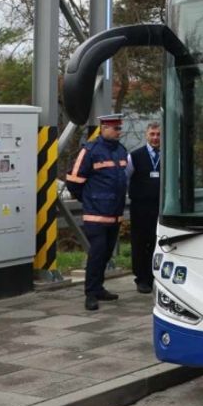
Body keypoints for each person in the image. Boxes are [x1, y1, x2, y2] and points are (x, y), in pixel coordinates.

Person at [66, 113, 130, 311]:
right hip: (96, 214)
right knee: (97, 252)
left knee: (106, 253)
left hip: (115, 213)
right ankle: (90, 293)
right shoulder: (91, 150)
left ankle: (99, 287)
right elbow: (73, 181)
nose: (119, 132)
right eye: (115, 128)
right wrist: (89, 200)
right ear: (104, 128)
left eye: (120, 128)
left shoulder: (121, 150)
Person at [127, 122, 162, 294]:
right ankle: (141, 278)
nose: (155, 138)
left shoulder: (169, 156)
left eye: (158, 134)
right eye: (152, 134)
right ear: (146, 135)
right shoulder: (135, 156)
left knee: (157, 242)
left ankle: (154, 276)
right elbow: (125, 177)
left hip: (160, 207)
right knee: (140, 243)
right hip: (140, 207)